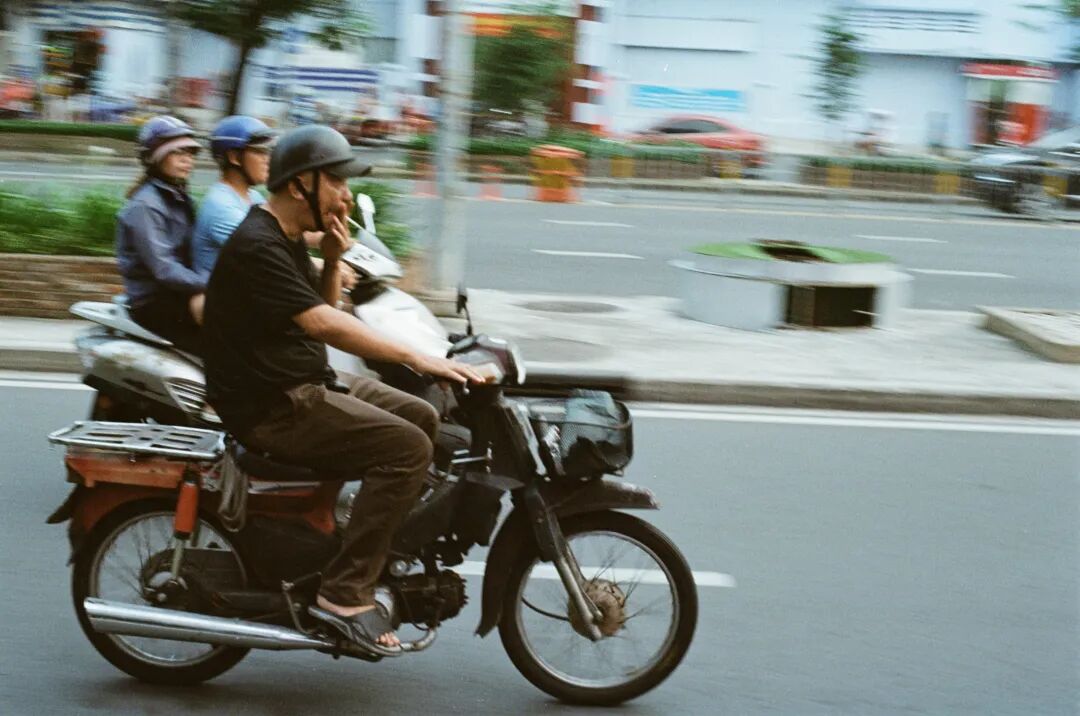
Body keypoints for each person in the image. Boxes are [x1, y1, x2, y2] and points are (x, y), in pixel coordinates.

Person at [201, 125, 484, 653]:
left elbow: (327, 307)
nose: (346, 195)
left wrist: (332, 258)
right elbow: (325, 326)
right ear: (302, 183)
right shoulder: (257, 245)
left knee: (423, 415)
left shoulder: (283, 238)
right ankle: (343, 589)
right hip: (273, 405)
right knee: (409, 448)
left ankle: (370, 531)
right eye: (338, 181)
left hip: (304, 381)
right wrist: (418, 357)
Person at [115, 115, 205, 353]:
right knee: (222, 349)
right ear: (155, 157)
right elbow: (164, 268)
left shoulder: (179, 196)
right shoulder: (146, 205)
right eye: (178, 153)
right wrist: (211, 284)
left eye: (190, 153)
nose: (187, 160)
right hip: (154, 302)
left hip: (175, 294)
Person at [191, 115, 276, 278]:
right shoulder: (221, 206)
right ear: (234, 157)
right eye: (260, 152)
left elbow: (281, 228)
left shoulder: (253, 196)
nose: (268, 160)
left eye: (268, 152)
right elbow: (269, 254)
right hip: (220, 300)